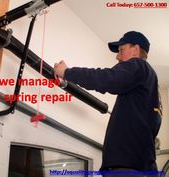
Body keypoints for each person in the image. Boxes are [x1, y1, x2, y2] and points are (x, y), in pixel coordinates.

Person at [54, 31, 162, 176]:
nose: (118, 57)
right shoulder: (151, 88)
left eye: (121, 50)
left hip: (127, 169)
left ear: (135, 49)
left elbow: (106, 78)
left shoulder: (139, 65)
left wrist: (67, 72)